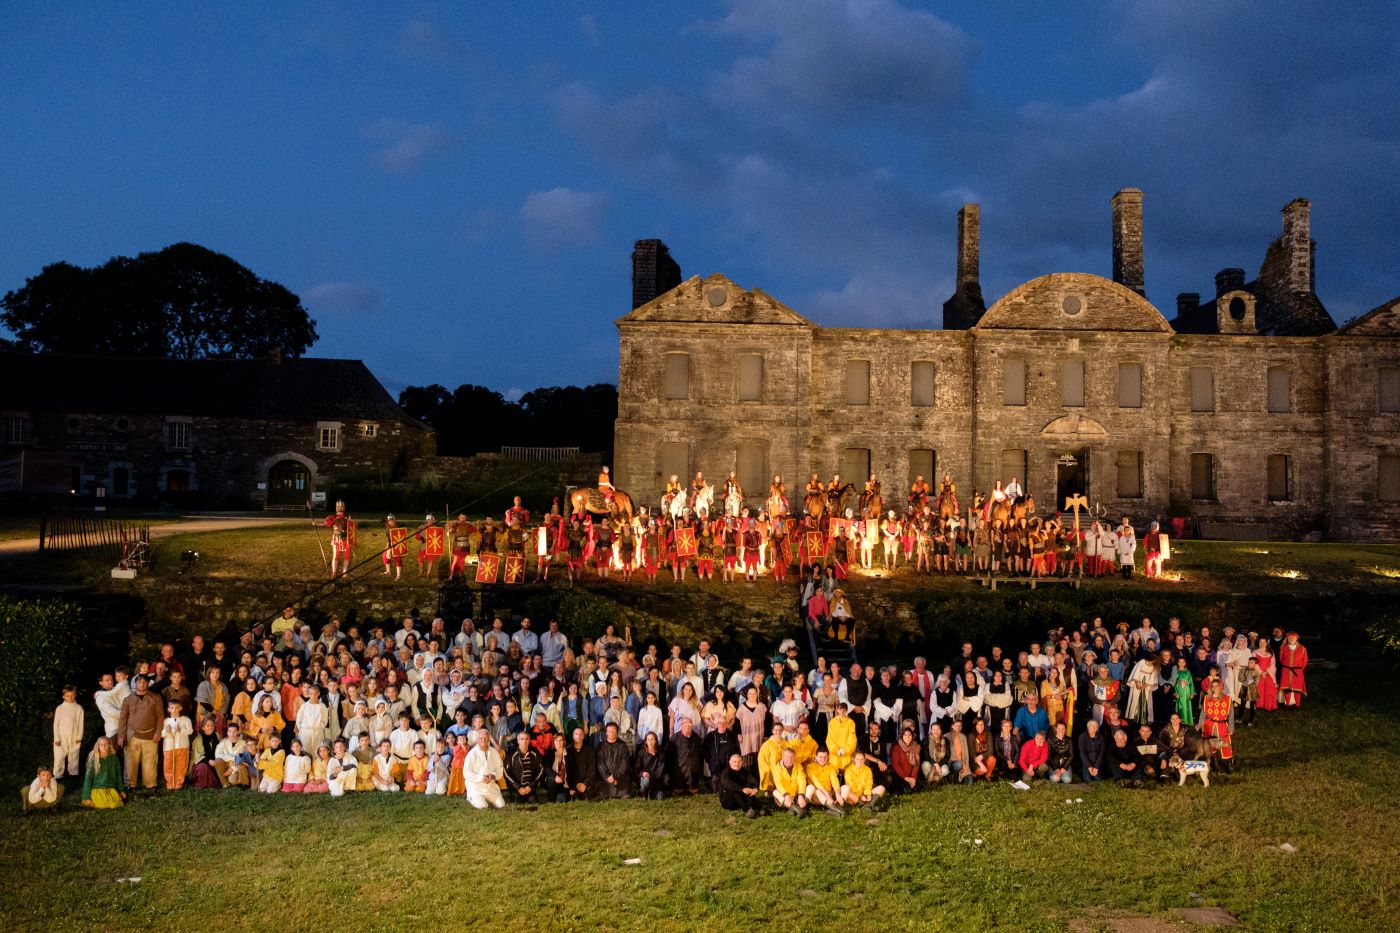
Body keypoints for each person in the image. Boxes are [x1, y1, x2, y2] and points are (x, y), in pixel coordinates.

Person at [117, 674, 164, 791]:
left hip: (150, 735)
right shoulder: (128, 700)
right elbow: (123, 719)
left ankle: (150, 784)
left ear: (148, 683)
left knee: (150, 760)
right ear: (135, 684)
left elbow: (160, 717)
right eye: (139, 682)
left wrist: (158, 732)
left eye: (144, 682)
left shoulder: (156, 698)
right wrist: (121, 736)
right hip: (132, 734)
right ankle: (129, 784)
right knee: (130, 761)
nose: (141, 684)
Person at [464, 731, 505, 809]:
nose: (483, 740)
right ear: (477, 740)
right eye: (481, 738)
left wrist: (493, 775)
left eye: (485, 738)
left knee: (501, 805)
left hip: (490, 786)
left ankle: (488, 797)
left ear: (489, 739)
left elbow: (500, 768)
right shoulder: (472, 754)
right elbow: (466, 773)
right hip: (476, 787)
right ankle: (471, 797)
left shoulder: (494, 752)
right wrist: (481, 778)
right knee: (483, 806)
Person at [51, 685, 85, 779]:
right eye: (68, 696)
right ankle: (58, 774)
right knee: (59, 756)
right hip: (61, 737)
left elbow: (80, 723)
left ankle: (73, 773)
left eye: (72, 695)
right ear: (63, 697)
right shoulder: (60, 708)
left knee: (74, 755)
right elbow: (56, 724)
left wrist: (79, 737)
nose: (70, 698)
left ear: (75, 695)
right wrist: (57, 738)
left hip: (74, 736)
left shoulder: (78, 708)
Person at [81, 736, 125, 808]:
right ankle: (96, 800)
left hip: (111, 788)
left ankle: (114, 797)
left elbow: (118, 777)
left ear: (109, 745)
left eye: (106, 744)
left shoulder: (114, 759)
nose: (104, 746)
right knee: (102, 805)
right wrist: (86, 797)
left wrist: (121, 791)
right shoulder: (93, 760)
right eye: (101, 745)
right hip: (98, 789)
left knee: (117, 804)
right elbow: (88, 779)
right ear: (98, 746)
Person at [160, 700, 193, 790]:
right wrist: (166, 731)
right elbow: (161, 735)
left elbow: (190, 731)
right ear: (168, 709)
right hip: (168, 747)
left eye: (176, 708)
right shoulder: (166, 721)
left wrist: (180, 730)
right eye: (172, 708)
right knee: (168, 764)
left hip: (182, 745)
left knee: (181, 764)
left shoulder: (185, 720)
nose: (174, 710)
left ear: (180, 708)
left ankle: (178, 782)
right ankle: (170, 782)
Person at [718, 753, 761, 818]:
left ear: (742, 762)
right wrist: (742, 789)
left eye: (739, 761)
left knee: (749, 785)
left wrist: (755, 789)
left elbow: (753, 780)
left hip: (741, 799)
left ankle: (758, 808)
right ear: (730, 762)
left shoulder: (745, 771)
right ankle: (747, 810)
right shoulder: (726, 772)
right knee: (733, 789)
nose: (737, 764)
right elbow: (728, 783)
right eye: (734, 762)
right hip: (728, 801)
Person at [596, 722, 632, 798]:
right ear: (606, 733)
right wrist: (607, 776)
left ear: (617, 732)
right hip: (606, 779)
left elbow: (624, 763)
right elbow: (600, 764)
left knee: (625, 790)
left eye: (613, 731)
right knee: (602, 790)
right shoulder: (601, 746)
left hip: (619, 778)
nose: (611, 733)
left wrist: (615, 776)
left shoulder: (623, 745)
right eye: (609, 731)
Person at [771, 747, 808, 817]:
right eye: (787, 757)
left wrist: (801, 795)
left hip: (797, 795)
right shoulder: (777, 768)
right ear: (783, 757)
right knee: (775, 792)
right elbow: (778, 783)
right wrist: (786, 795)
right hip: (785, 796)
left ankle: (794, 808)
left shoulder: (799, 766)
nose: (789, 759)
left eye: (791, 757)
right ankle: (798, 809)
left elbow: (802, 781)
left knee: (810, 788)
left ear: (794, 757)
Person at [1278, 632, 1308, 708]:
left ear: (1296, 638)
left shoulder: (1302, 648)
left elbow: (1305, 660)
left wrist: (1299, 669)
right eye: (1289, 638)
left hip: (1297, 671)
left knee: (1297, 689)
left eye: (1293, 637)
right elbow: (1281, 659)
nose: (1291, 639)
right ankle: (1287, 704)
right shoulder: (1283, 648)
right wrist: (1286, 666)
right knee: (1287, 688)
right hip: (1286, 670)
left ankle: (1297, 704)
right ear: (1287, 639)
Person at [1077, 719, 1107, 783]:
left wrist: (1096, 767)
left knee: (1098, 779)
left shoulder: (1101, 738)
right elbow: (1082, 753)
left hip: (1097, 762)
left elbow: (1101, 753)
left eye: (1095, 726)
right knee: (1087, 779)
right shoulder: (1082, 737)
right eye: (1091, 725)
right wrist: (1089, 766)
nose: (1093, 727)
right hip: (1087, 762)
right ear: (1088, 727)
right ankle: (1083, 770)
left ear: (1097, 727)